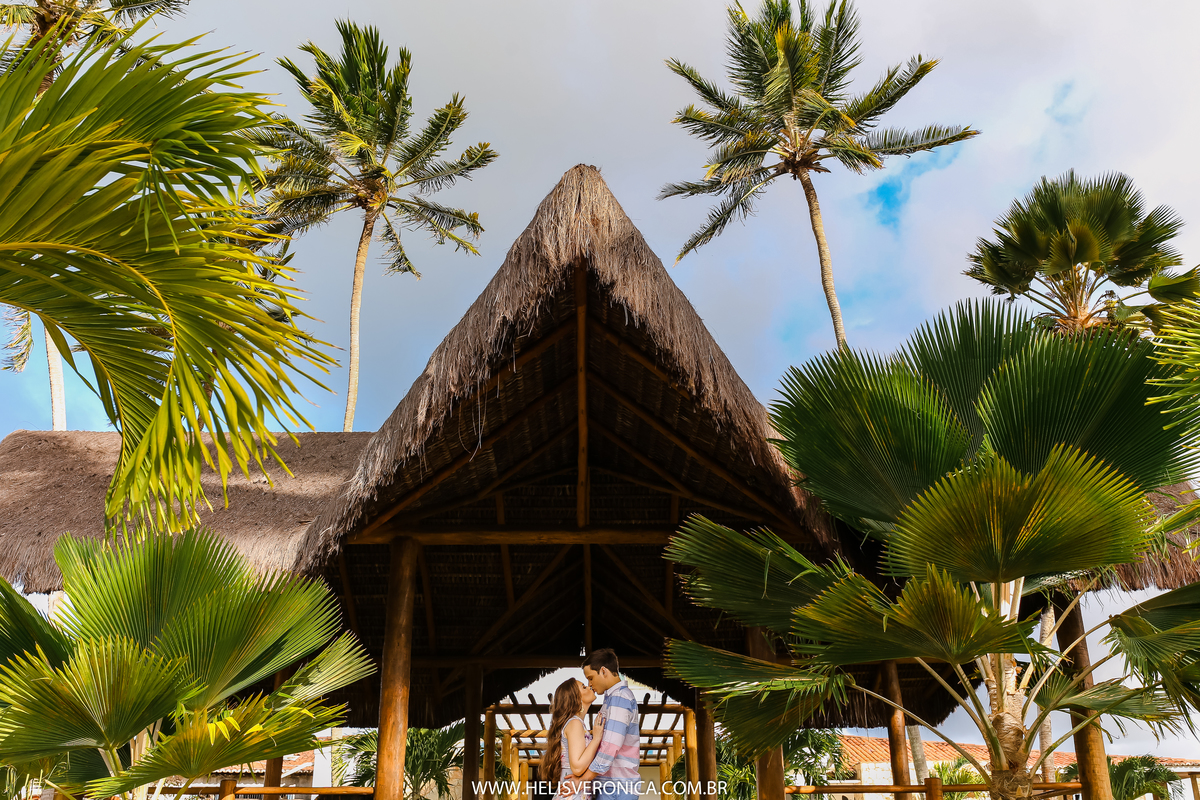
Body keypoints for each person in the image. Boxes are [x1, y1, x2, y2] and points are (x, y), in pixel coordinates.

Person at [568, 648, 641, 800]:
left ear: (603, 671)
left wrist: (583, 780)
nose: (590, 684)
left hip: (616, 788)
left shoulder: (619, 698)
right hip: (612, 786)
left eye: (590, 678)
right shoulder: (613, 699)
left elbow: (610, 747)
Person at [545, 677, 605, 799]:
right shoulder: (574, 723)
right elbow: (577, 767)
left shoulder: (576, 723)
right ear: (576, 698)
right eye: (584, 687)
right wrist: (597, 738)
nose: (589, 687)